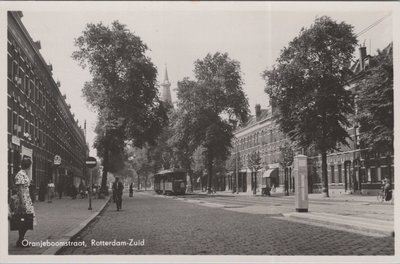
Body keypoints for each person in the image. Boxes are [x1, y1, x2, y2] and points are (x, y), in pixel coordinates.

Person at [11, 158, 36, 247]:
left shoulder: (24, 174)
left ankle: (21, 239)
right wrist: (22, 203)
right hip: (23, 200)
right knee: (24, 219)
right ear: (28, 166)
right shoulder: (20, 174)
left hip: (26, 199)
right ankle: (20, 240)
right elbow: (20, 190)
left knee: (26, 220)